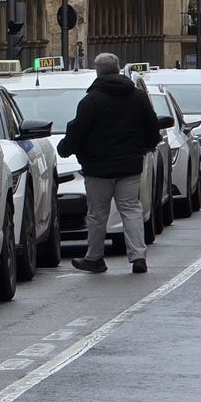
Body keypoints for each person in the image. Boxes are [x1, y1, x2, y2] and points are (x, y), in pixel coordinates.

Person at [58, 53, 161, 275]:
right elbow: (153, 130)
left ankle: (94, 258)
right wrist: (141, 150)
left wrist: (65, 149)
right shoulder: (138, 97)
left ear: (98, 71)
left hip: (98, 168)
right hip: (129, 166)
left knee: (97, 214)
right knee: (131, 209)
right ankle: (138, 256)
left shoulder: (91, 100)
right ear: (117, 69)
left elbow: (78, 132)